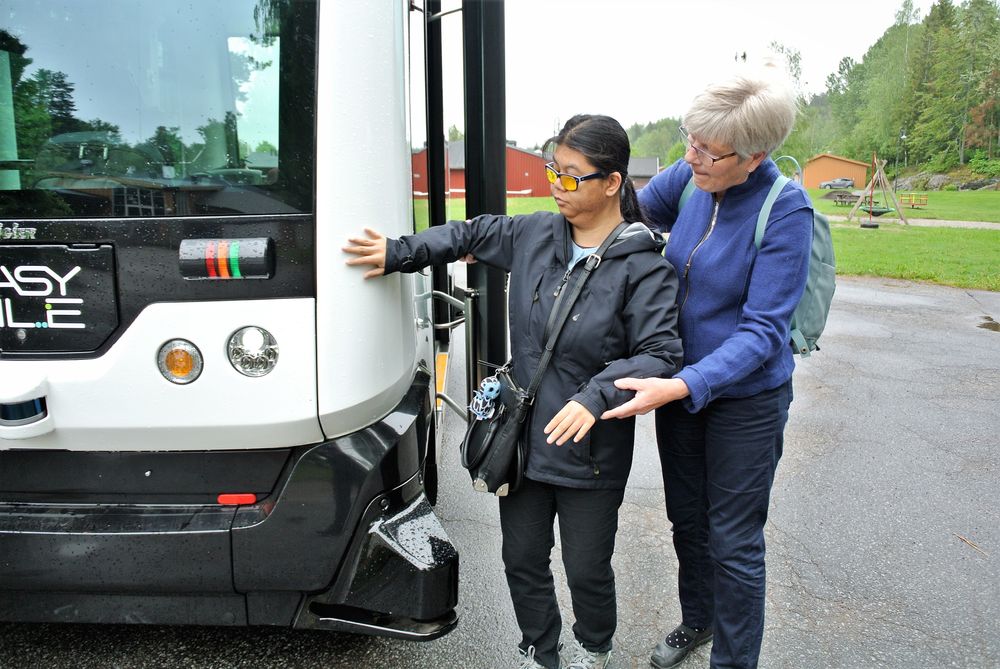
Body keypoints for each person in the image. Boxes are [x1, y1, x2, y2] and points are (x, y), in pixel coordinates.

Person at [344, 114, 683, 669]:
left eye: (573, 176)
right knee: (522, 558)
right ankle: (538, 648)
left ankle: (592, 648)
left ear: (612, 182)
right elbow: (469, 233)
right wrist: (399, 252)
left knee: (587, 567)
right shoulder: (535, 235)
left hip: (589, 454)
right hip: (520, 444)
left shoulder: (645, 269)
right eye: (554, 169)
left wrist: (595, 396)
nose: (557, 185)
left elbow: (660, 354)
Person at [601, 64, 812, 669]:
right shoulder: (692, 177)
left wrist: (682, 382)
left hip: (745, 400)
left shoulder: (785, 209)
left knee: (735, 540)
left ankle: (734, 659)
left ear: (754, 155)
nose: (692, 158)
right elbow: (629, 208)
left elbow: (763, 332)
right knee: (687, 521)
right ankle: (699, 622)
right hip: (678, 391)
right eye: (690, 141)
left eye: (709, 152)